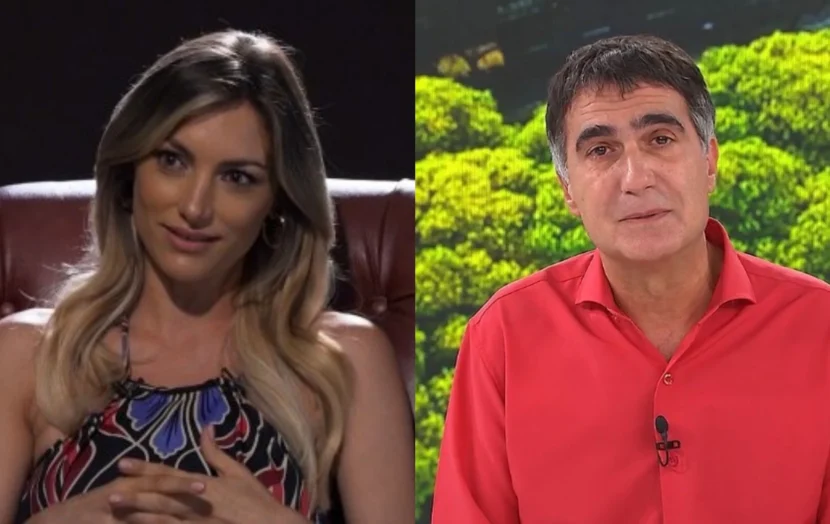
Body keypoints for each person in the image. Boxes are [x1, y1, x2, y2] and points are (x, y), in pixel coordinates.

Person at [0, 30, 413, 524]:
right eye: (172, 161)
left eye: (237, 178)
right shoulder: (29, 355)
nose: (196, 208)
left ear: (277, 203)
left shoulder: (343, 362)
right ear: (129, 173)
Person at [432, 34, 830, 523]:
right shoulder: (503, 337)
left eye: (660, 140)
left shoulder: (818, 324)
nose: (636, 178)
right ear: (567, 189)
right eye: (601, 150)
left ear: (709, 161)